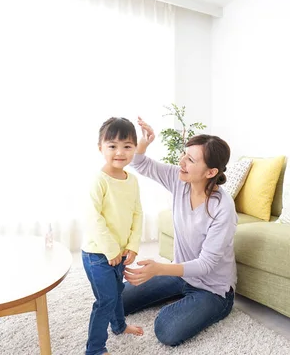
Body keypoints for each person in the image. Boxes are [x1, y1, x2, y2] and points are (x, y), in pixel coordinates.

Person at [122, 116, 237, 346]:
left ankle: (199, 305)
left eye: (190, 159)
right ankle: (182, 296)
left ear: (210, 172)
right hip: (182, 276)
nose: (181, 161)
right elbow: (139, 163)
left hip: (212, 289)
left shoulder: (222, 208)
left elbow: (205, 265)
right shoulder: (179, 180)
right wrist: (144, 143)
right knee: (118, 299)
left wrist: (158, 269)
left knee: (166, 328)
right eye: (184, 154)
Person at [82, 117, 144, 355]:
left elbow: (138, 213)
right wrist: (111, 250)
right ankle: (95, 349)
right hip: (98, 254)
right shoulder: (99, 180)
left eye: (127, 146)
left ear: (134, 149)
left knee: (118, 292)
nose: (120, 152)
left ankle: (119, 326)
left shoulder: (133, 181)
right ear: (101, 148)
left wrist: (133, 245)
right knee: (106, 300)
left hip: (120, 252)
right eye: (112, 146)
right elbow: (93, 217)